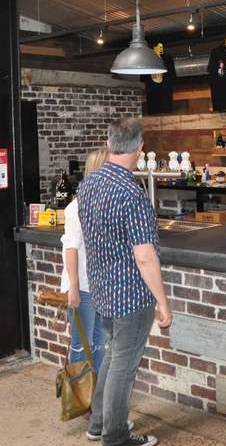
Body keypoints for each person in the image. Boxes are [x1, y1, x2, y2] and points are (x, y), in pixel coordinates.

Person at [77, 118, 172, 446]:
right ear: (139, 147)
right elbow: (145, 257)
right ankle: (115, 437)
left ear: (110, 142)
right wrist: (162, 301)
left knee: (114, 357)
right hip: (131, 296)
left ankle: (99, 423)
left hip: (102, 291)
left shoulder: (88, 184)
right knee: (123, 366)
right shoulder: (131, 192)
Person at [61, 148, 109, 374]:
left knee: (100, 343)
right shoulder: (76, 208)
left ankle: (96, 397)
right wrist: (74, 287)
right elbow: (70, 248)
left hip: (99, 285)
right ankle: (78, 400)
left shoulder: (105, 205)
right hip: (82, 287)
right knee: (81, 346)